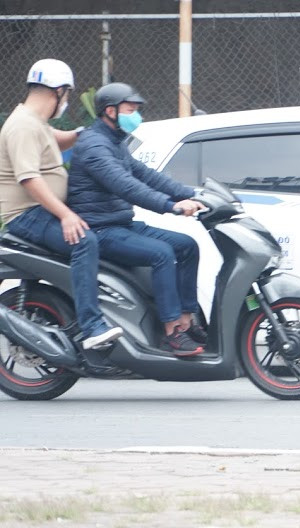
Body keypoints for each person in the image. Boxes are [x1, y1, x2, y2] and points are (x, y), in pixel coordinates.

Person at [67, 82, 207, 357]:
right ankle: (171, 334)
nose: (136, 115)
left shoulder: (114, 141)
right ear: (110, 110)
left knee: (187, 246)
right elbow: (126, 186)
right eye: (131, 109)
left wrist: (193, 193)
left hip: (121, 223)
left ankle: (186, 320)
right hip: (100, 228)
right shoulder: (94, 145)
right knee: (162, 253)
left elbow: (145, 175)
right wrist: (173, 206)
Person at [0, 59, 124, 350]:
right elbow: (28, 178)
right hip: (26, 215)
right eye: (67, 94)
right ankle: (92, 326)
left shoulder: (35, 123)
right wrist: (66, 215)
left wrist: (94, 132)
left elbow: (64, 139)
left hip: (40, 212)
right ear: (56, 91)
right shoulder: (23, 127)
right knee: (84, 241)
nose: (67, 100)